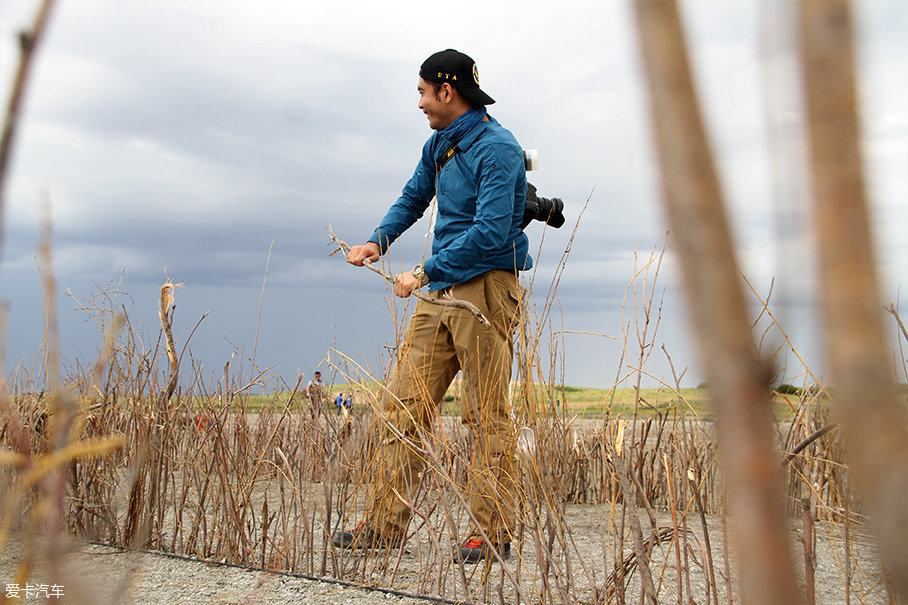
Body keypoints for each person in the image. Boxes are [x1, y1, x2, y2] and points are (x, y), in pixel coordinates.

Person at [334, 49, 531, 564]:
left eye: (423, 92)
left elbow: (490, 233)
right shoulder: (437, 145)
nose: (419, 102)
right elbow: (413, 197)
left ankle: (493, 535)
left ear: (448, 91)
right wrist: (378, 240)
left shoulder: (499, 148)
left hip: (485, 288)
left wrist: (422, 271)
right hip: (440, 288)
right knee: (403, 407)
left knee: (486, 416)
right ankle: (382, 527)